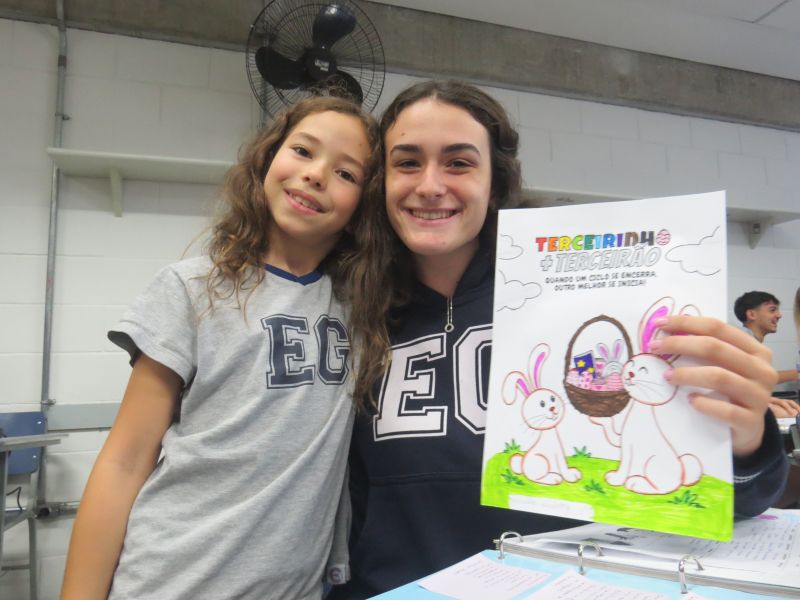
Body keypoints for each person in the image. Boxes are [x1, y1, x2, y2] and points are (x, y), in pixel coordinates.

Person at [331, 80, 790, 598]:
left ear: (495, 182)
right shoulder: (350, 310)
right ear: (383, 182)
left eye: (459, 163)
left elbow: (744, 504)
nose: (431, 184)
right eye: (408, 162)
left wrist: (745, 442)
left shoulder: (579, 306)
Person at [60, 95, 378, 600]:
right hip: (170, 582)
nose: (316, 174)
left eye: (346, 173)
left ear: (365, 201)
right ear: (268, 157)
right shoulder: (192, 288)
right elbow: (124, 461)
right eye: (302, 150)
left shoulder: (360, 310)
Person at [734, 290, 800, 416]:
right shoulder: (742, 342)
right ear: (752, 314)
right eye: (772, 310)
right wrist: (796, 374)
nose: (779, 315)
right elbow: (753, 377)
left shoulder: (750, 341)